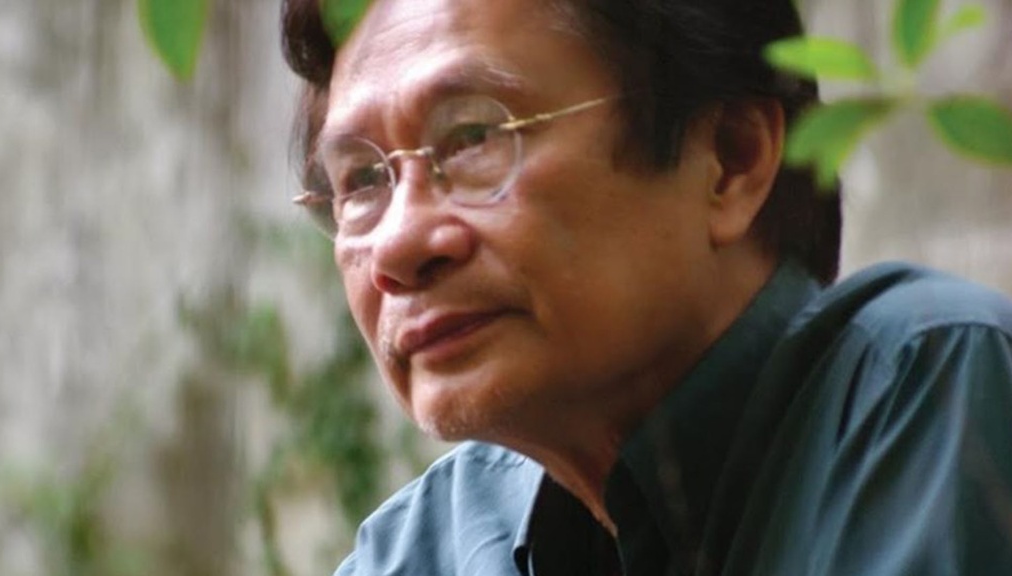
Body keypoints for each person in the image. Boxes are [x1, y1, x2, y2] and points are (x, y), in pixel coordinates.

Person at [279, 0, 1012, 574]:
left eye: (473, 137)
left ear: (729, 159)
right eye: (362, 180)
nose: (399, 248)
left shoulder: (924, 391)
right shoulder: (428, 546)